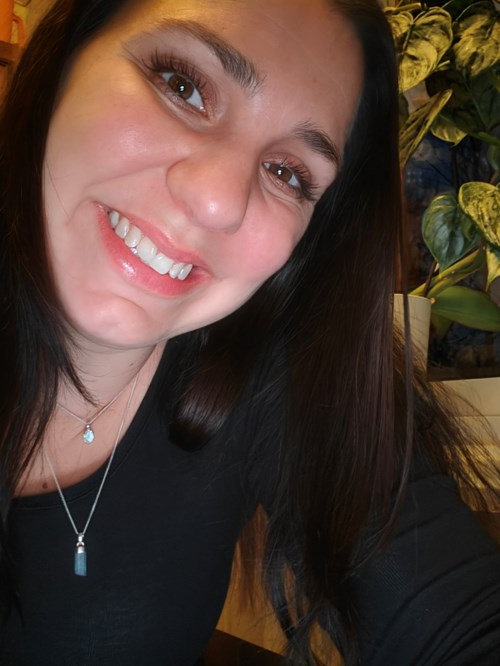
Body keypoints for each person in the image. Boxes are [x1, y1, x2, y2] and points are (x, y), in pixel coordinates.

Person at [0, 0, 499, 664]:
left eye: (288, 174)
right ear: (64, 62)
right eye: (182, 85)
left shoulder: (272, 370)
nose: (217, 200)